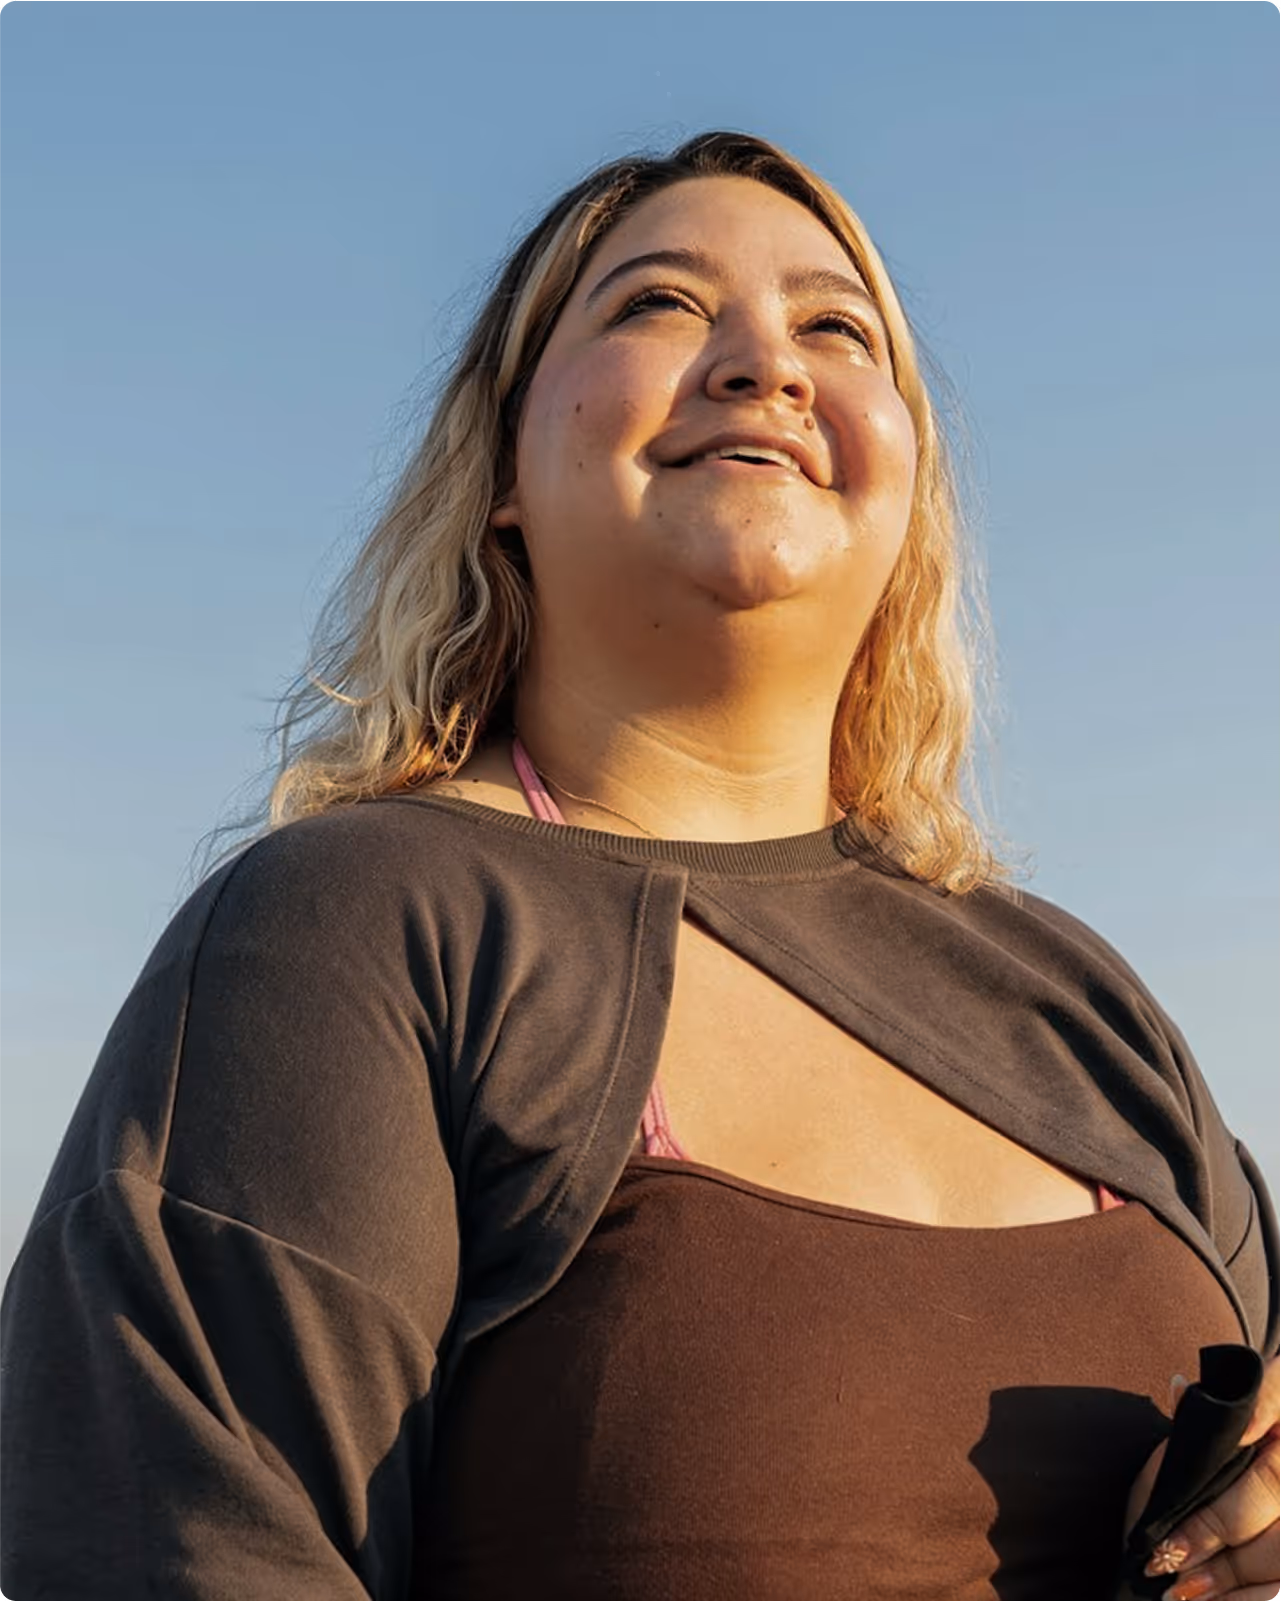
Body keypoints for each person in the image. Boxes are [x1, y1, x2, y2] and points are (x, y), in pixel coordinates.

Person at [0, 132, 1276, 1601]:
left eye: (837, 329)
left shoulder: (1081, 994)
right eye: (661, 303)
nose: (767, 366)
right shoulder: (356, 929)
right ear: (503, 472)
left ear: (910, 486)